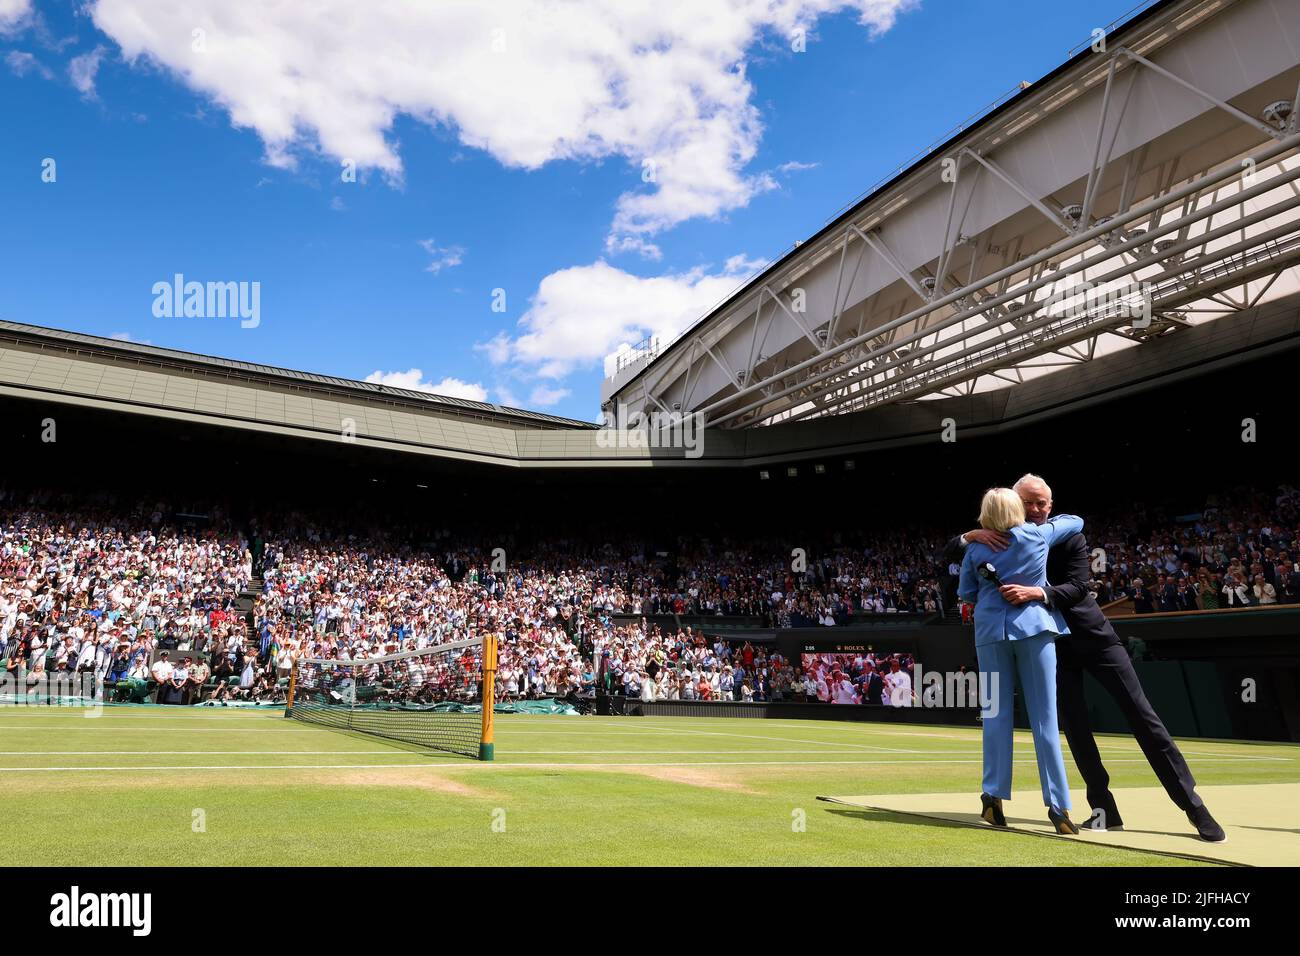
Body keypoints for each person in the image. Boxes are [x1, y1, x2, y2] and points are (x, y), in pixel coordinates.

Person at [951, 474, 1224, 842]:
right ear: (1014, 503)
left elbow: (1080, 587)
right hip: (1049, 642)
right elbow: (951, 551)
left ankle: (1193, 807)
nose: (1035, 509)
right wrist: (970, 535)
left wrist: (1037, 593)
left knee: (1142, 716)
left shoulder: (1065, 535)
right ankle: (1103, 809)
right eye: (1027, 502)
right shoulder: (994, 539)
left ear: (1051, 504)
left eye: (1042, 503)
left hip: (1092, 636)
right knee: (1076, 730)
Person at [957, 487, 1083, 834]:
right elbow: (1076, 521)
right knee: (1045, 719)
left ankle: (993, 798)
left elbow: (966, 594)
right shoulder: (1038, 535)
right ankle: (1059, 809)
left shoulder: (976, 548)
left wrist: (971, 538)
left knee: (996, 715)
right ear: (1018, 508)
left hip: (990, 634)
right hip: (1034, 630)